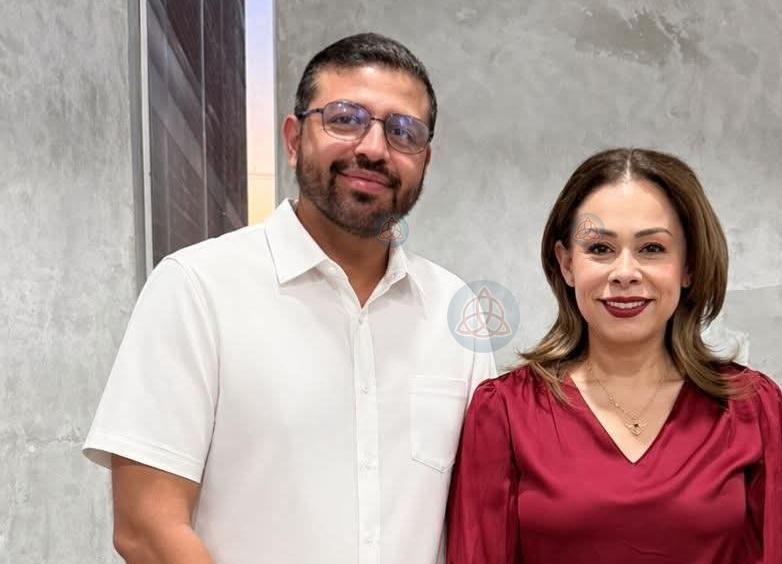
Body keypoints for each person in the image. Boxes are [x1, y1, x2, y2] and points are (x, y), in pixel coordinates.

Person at [84, 33, 496, 564]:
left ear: (425, 159)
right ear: (294, 138)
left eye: (402, 132)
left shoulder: (454, 310)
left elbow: (479, 516)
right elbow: (146, 527)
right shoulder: (197, 288)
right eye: (345, 119)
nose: (374, 148)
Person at [446, 148, 782, 563]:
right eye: (600, 248)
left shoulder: (749, 407)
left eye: (652, 248)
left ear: (688, 265)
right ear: (567, 264)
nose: (625, 273)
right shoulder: (505, 411)